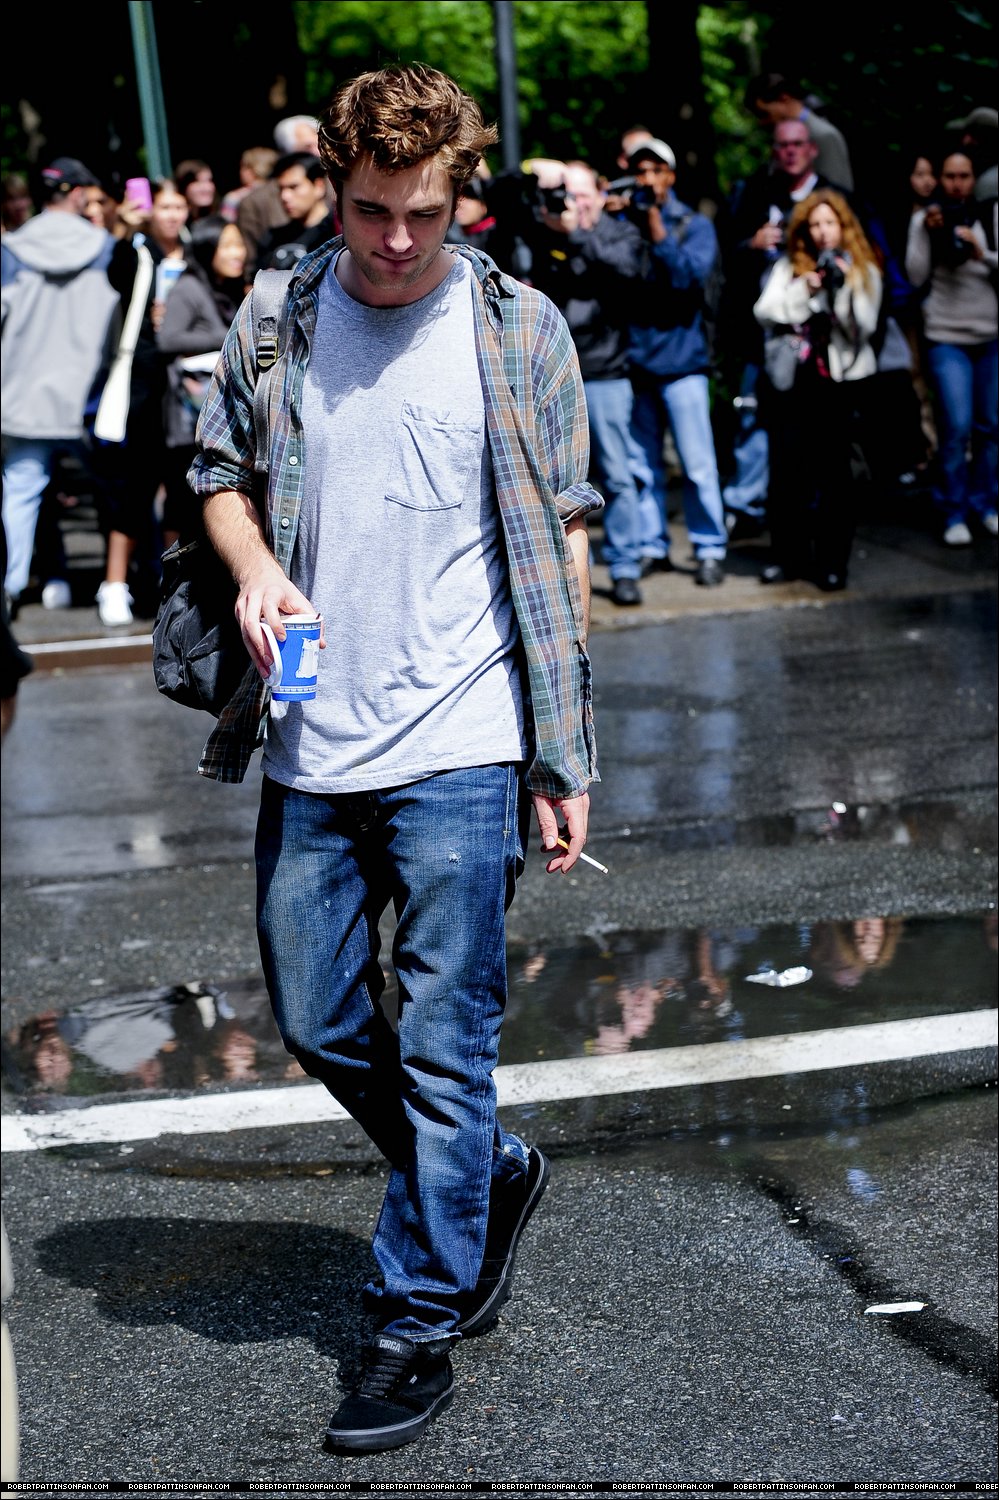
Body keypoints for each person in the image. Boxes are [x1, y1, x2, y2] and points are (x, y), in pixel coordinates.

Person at [188, 62, 600, 1454]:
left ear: (458, 192)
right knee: (315, 1018)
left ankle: (415, 1318)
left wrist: (562, 750)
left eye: (425, 212)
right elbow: (216, 475)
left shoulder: (519, 327)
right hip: (315, 734)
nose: (397, 241)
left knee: (443, 1040)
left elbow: (566, 539)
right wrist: (254, 568)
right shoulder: (278, 313)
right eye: (371, 211)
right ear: (335, 185)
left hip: (465, 740)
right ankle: (485, 1174)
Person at [524, 159, 651, 604]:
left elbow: (628, 271)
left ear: (599, 195)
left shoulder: (618, 233)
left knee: (617, 474)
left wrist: (574, 235)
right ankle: (577, 573)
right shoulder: (544, 234)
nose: (574, 204)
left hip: (606, 372)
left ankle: (626, 566)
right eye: (568, 196)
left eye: (581, 195)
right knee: (562, 481)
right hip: (553, 376)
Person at [718, 118, 846, 538]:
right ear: (775, 152)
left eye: (797, 144)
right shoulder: (755, 195)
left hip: (823, 343)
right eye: (782, 145)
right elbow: (726, 258)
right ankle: (748, 508)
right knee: (756, 420)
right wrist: (751, 245)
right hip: (764, 335)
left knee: (814, 436)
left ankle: (812, 518)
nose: (790, 152)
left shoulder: (834, 197)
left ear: (811, 150)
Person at [1, 157, 118, 614]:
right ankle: (125, 582)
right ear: (78, 194)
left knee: (20, 492)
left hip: (23, 392)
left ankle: (10, 587)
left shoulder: (12, 248)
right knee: (115, 491)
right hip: (91, 394)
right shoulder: (106, 246)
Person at [754, 188, 883, 590]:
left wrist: (840, 289)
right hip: (793, 385)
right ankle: (789, 557)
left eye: (830, 223)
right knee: (787, 474)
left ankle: (832, 563)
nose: (823, 231)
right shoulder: (790, 266)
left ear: (843, 227)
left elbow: (865, 327)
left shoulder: (864, 269)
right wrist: (804, 290)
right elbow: (764, 311)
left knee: (836, 478)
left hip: (841, 386)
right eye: (815, 224)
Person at [624, 137, 728, 586]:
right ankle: (652, 545)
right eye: (640, 171)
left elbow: (689, 278)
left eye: (655, 170)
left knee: (698, 465)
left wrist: (656, 227)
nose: (648, 179)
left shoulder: (694, 224)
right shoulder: (623, 221)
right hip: (636, 362)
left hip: (685, 363)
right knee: (642, 468)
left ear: (670, 176)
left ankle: (709, 548)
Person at [94, 178, 190, 626]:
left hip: (187, 385)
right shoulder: (139, 251)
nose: (172, 215)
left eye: (178, 206)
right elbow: (116, 275)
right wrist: (123, 229)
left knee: (181, 491)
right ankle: (114, 585)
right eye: (164, 207)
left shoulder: (197, 250)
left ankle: (174, 588)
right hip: (146, 385)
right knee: (135, 487)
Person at [905, 150, 998, 545]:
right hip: (945, 335)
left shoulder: (990, 215)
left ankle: (986, 504)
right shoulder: (926, 219)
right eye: (949, 176)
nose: (957, 183)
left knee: (990, 426)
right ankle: (953, 509)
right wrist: (927, 232)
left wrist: (981, 252)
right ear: (940, 179)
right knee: (956, 426)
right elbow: (914, 276)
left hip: (990, 334)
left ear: (974, 178)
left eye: (964, 175)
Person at [157, 215, 249, 547]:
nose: (238, 253)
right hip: (188, 417)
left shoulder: (229, 288)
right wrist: (229, 335)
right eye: (228, 246)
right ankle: (170, 574)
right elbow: (168, 338)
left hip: (218, 414)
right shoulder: (189, 287)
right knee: (182, 502)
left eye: (239, 244)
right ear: (208, 249)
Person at [237, 115, 321, 277]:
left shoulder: (339, 191)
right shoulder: (256, 203)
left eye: (320, 145)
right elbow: (251, 272)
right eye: (308, 146)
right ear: (285, 150)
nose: (317, 152)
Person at [744, 71, 854, 192]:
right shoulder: (778, 135)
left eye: (763, 114)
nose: (761, 122)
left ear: (784, 99)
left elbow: (838, 193)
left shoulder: (823, 135)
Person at [255, 152, 337, 271]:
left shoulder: (340, 233)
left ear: (319, 186)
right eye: (281, 188)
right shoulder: (272, 239)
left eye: (293, 187)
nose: (284, 196)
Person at [219, 146, 278, 223]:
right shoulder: (281, 192)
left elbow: (226, 226)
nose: (240, 172)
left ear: (253, 168)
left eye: (243, 167)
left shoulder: (234, 198)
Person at [174, 158, 219, 223]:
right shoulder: (175, 222)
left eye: (209, 180)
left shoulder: (221, 221)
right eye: (197, 181)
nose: (206, 188)